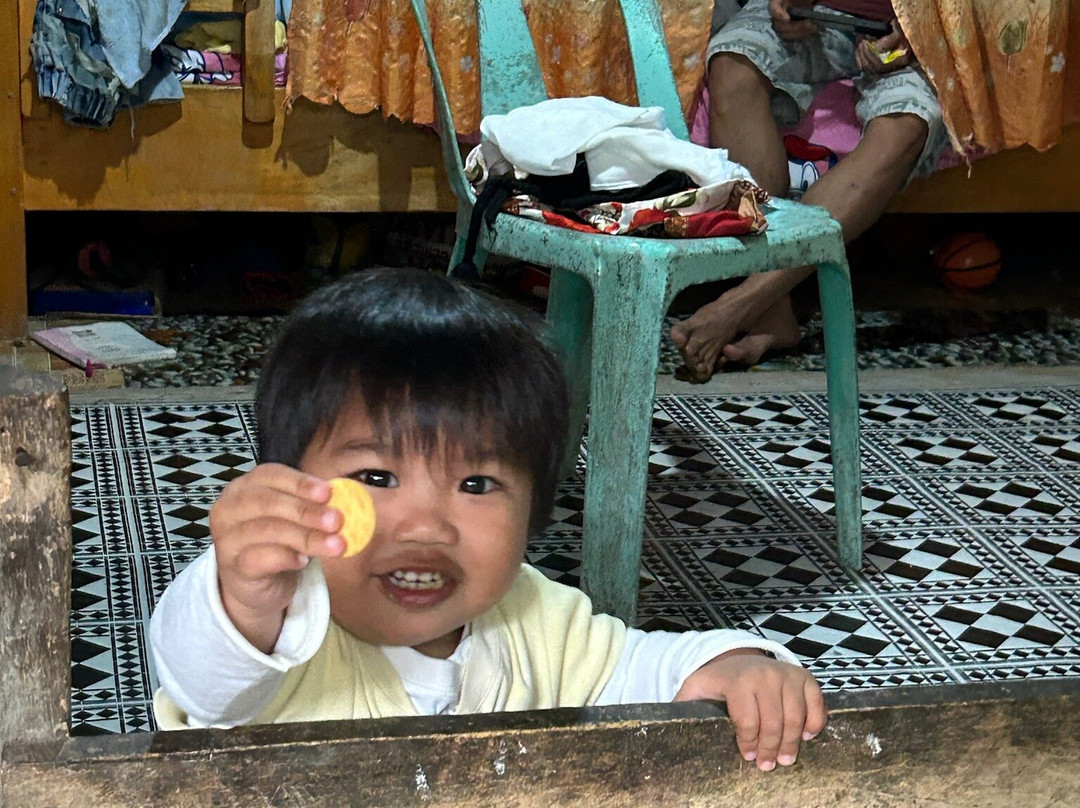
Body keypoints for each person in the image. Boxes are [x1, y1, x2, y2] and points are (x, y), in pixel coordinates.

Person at [149, 267, 827, 772]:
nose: (426, 523)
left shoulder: (532, 614)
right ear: (295, 488)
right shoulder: (278, 621)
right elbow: (203, 683)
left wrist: (741, 665)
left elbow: (639, 668)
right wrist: (242, 591)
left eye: (476, 483)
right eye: (376, 477)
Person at [671, 0, 947, 380]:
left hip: (923, 33)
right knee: (733, 64)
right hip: (815, 17)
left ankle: (745, 300)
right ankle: (774, 309)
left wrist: (923, 32)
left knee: (907, 124)